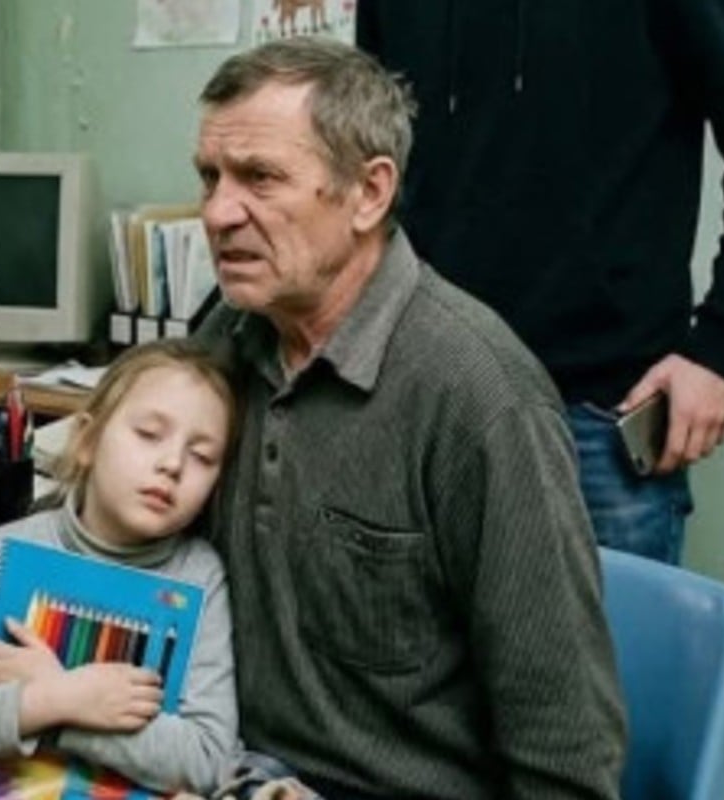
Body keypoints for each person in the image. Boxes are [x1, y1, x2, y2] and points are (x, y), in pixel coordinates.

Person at [189, 39, 625, 799]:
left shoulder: (479, 394)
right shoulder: (225, 337)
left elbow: (566, 748)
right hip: (226, 769)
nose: (219, 213)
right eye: (210, 178)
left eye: (260, 177)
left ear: (369, 193)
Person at [356, 0, 724, 564]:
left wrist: (721, 349)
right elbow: (371, 172)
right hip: (434, 405)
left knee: (614, 626)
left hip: (601, 419)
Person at [0, 339, 239, 797]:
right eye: (149, 434)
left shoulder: (200, 576)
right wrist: (51, 700)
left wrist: (69, 711)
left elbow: (208, 761)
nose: (172, 464)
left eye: (202, 457)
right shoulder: (0, 551)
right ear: (87, 441)